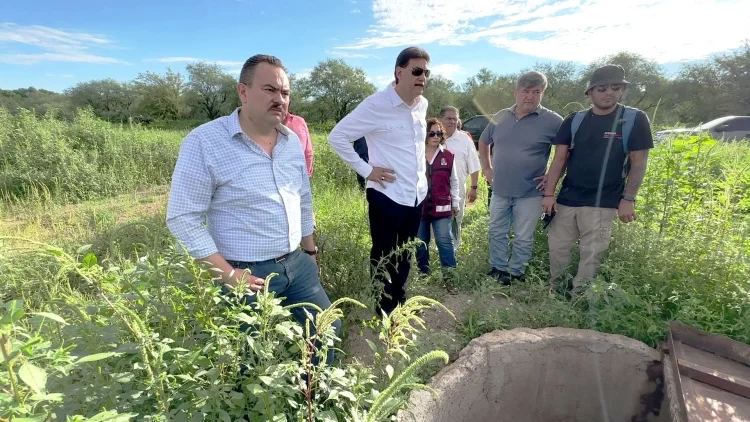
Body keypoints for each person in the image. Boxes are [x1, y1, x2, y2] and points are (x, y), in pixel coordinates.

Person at [165, 54, 340, 363]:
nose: (280, 99)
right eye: (270, 90)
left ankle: (314, 401)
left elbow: (303, 199)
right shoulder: (205, 141)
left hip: (297, 266)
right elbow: (182, 217)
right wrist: (228, 274)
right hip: (245, 273)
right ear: (243, 92)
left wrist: (310, 253)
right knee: (250, 361)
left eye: (285, 93)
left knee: (328, 330)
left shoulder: (291, 143)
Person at [327, 46, 431, 316]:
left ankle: (399, 298)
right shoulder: (376, 105)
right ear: (399, 72)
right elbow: (337, 136)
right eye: (416, 71)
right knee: (384, 252)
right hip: (386, 194)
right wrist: (366, 170)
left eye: (426, 72)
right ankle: (383, 306)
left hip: (416, 193)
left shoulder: (422, 105)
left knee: (405, 252)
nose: (423, 77)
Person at [542, 64, 654, 296]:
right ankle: (557, 293)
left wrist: (629, 199)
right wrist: (549, 194)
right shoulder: (574, 120)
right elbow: (559, 160)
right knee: (558, 250)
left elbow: (638, 163)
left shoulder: (633, 119)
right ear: (590, 92)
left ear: (622, 90)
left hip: (603, 202)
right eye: (602, 88)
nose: (609, 93)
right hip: (567, 199)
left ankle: (579, 298)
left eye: (616, 87)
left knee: (591, 255)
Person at [479, 71, 563, 285]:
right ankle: (497, 269)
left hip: (531, 193)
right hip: (500, 190)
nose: (530, 96)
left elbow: (565, 153)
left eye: (536, 92)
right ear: (516, 92)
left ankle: (516, 273)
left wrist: (553, 177)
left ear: (542, 93)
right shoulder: (501, 116)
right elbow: (483, 141)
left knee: (523, 237)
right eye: (525, 91)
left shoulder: (553, 121)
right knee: (497, 231)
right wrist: (487, 169)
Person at [416, 118, 459, 276]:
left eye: (439, 133)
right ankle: (423, 274)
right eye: (431, 133)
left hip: (442, 207)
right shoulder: (415, 155)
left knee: (444, 241)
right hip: (419, 207)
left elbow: (454, 181)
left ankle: (450, 276)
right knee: (420, 243)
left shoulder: (448, 156)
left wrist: (456, 203)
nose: (435, 136)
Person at [440, 106, 480, 251]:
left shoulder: (464, 139)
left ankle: (453, 252)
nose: (452, 121)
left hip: (457, 190)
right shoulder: (433, 137)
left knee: (456, 220)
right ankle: (435, 251)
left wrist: (474, 187)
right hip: (434, 190)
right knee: (435, 221)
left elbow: (474, 165)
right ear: (440, 120)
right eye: (448, 118)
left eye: (454, 118)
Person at [282, 99, 314, 177]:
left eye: (284, 94)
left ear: (289, 101)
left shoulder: (299, 122)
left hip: (298, 174)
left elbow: (308, 151)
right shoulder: (264, 123)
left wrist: (306, 174)